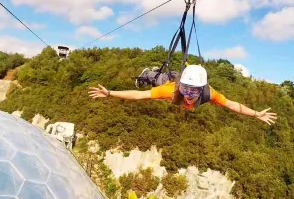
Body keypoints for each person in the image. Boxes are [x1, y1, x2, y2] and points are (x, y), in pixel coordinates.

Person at [88, 64, 277, 125]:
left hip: (183, 82)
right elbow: (139, 96)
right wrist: (110, 93)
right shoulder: (173, 90)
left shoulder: (208, 93)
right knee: (159, 79)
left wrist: (256, 114)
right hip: (171, 83)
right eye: (186, 89)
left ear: (202, 89)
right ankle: (149, 73)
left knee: (172, 85)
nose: (188, 94)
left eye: (194, 91)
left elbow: (232, 105)